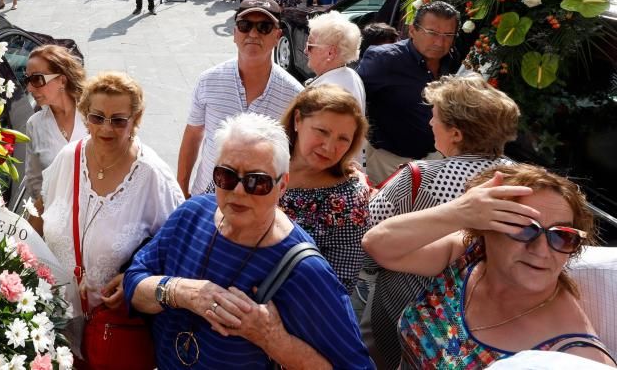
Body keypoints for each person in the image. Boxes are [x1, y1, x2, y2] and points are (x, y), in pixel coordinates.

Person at [125, 113, 373, 368]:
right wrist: (181, 292)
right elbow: (134, 282)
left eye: (258, 181)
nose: (239, 191)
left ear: (282, 185)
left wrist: (271, 338)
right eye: (227, 176)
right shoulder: (191, 214)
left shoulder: (304, 270)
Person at [363, 164, 616, 368]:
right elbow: (378, 245)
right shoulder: (469, 255)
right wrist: (459, 211)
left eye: (562, 235)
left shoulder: (575, 355)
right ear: (486, 228)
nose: (541, 250)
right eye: (524, 228)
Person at [364, 74, 520, 370]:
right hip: (485, 335)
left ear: (456, 133)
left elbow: (367, 242)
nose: (429, 123)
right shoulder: (524, 183)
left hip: (402, 317)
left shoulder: (419, 178)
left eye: (434, 116)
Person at [41, 72, 184, 360]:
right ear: (85, 116)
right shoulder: (68, 159)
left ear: (136, 120)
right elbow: (40, 211)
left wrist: (133, 279)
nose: (106, 129)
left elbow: (178, 247)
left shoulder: (152, 176)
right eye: (97, 118)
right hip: (55, 326)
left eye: (118, 120)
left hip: (114, 334)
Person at [177, 0, 302, 197]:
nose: (253, 33)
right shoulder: (209, 80)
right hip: (207, 196)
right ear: (235, 33)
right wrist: (182, 189)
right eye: (245, 25)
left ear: (277, 35)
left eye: (264, 27)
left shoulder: (294, 95)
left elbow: (296, 156)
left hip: (259, 204)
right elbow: (193, 136)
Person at [277, 84, 370, 294]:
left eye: (343, 139)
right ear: (297, 120)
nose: (329, 147)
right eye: (321, 131)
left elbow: (339, 284)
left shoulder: (349, 199)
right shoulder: (256, 159)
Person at [357, 0, 461, 184]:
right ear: (413, 30)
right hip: (390, 163)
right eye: (432, 33)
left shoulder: (452, 59)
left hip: (437, 160)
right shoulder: (384, 59)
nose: (440, 41)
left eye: (448, 35)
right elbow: (353, 102)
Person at [22, 45, 88, 234]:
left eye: (37, 79)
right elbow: (34, 180)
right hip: (58, 229)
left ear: (62, 80)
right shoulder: (35, 124)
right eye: (27, 80)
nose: (29, 87)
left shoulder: (94, 116)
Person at [302, 11, 367, 110]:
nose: (305, 51)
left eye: (309, 45)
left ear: (330, 53)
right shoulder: (352, 76)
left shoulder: (324, 94)